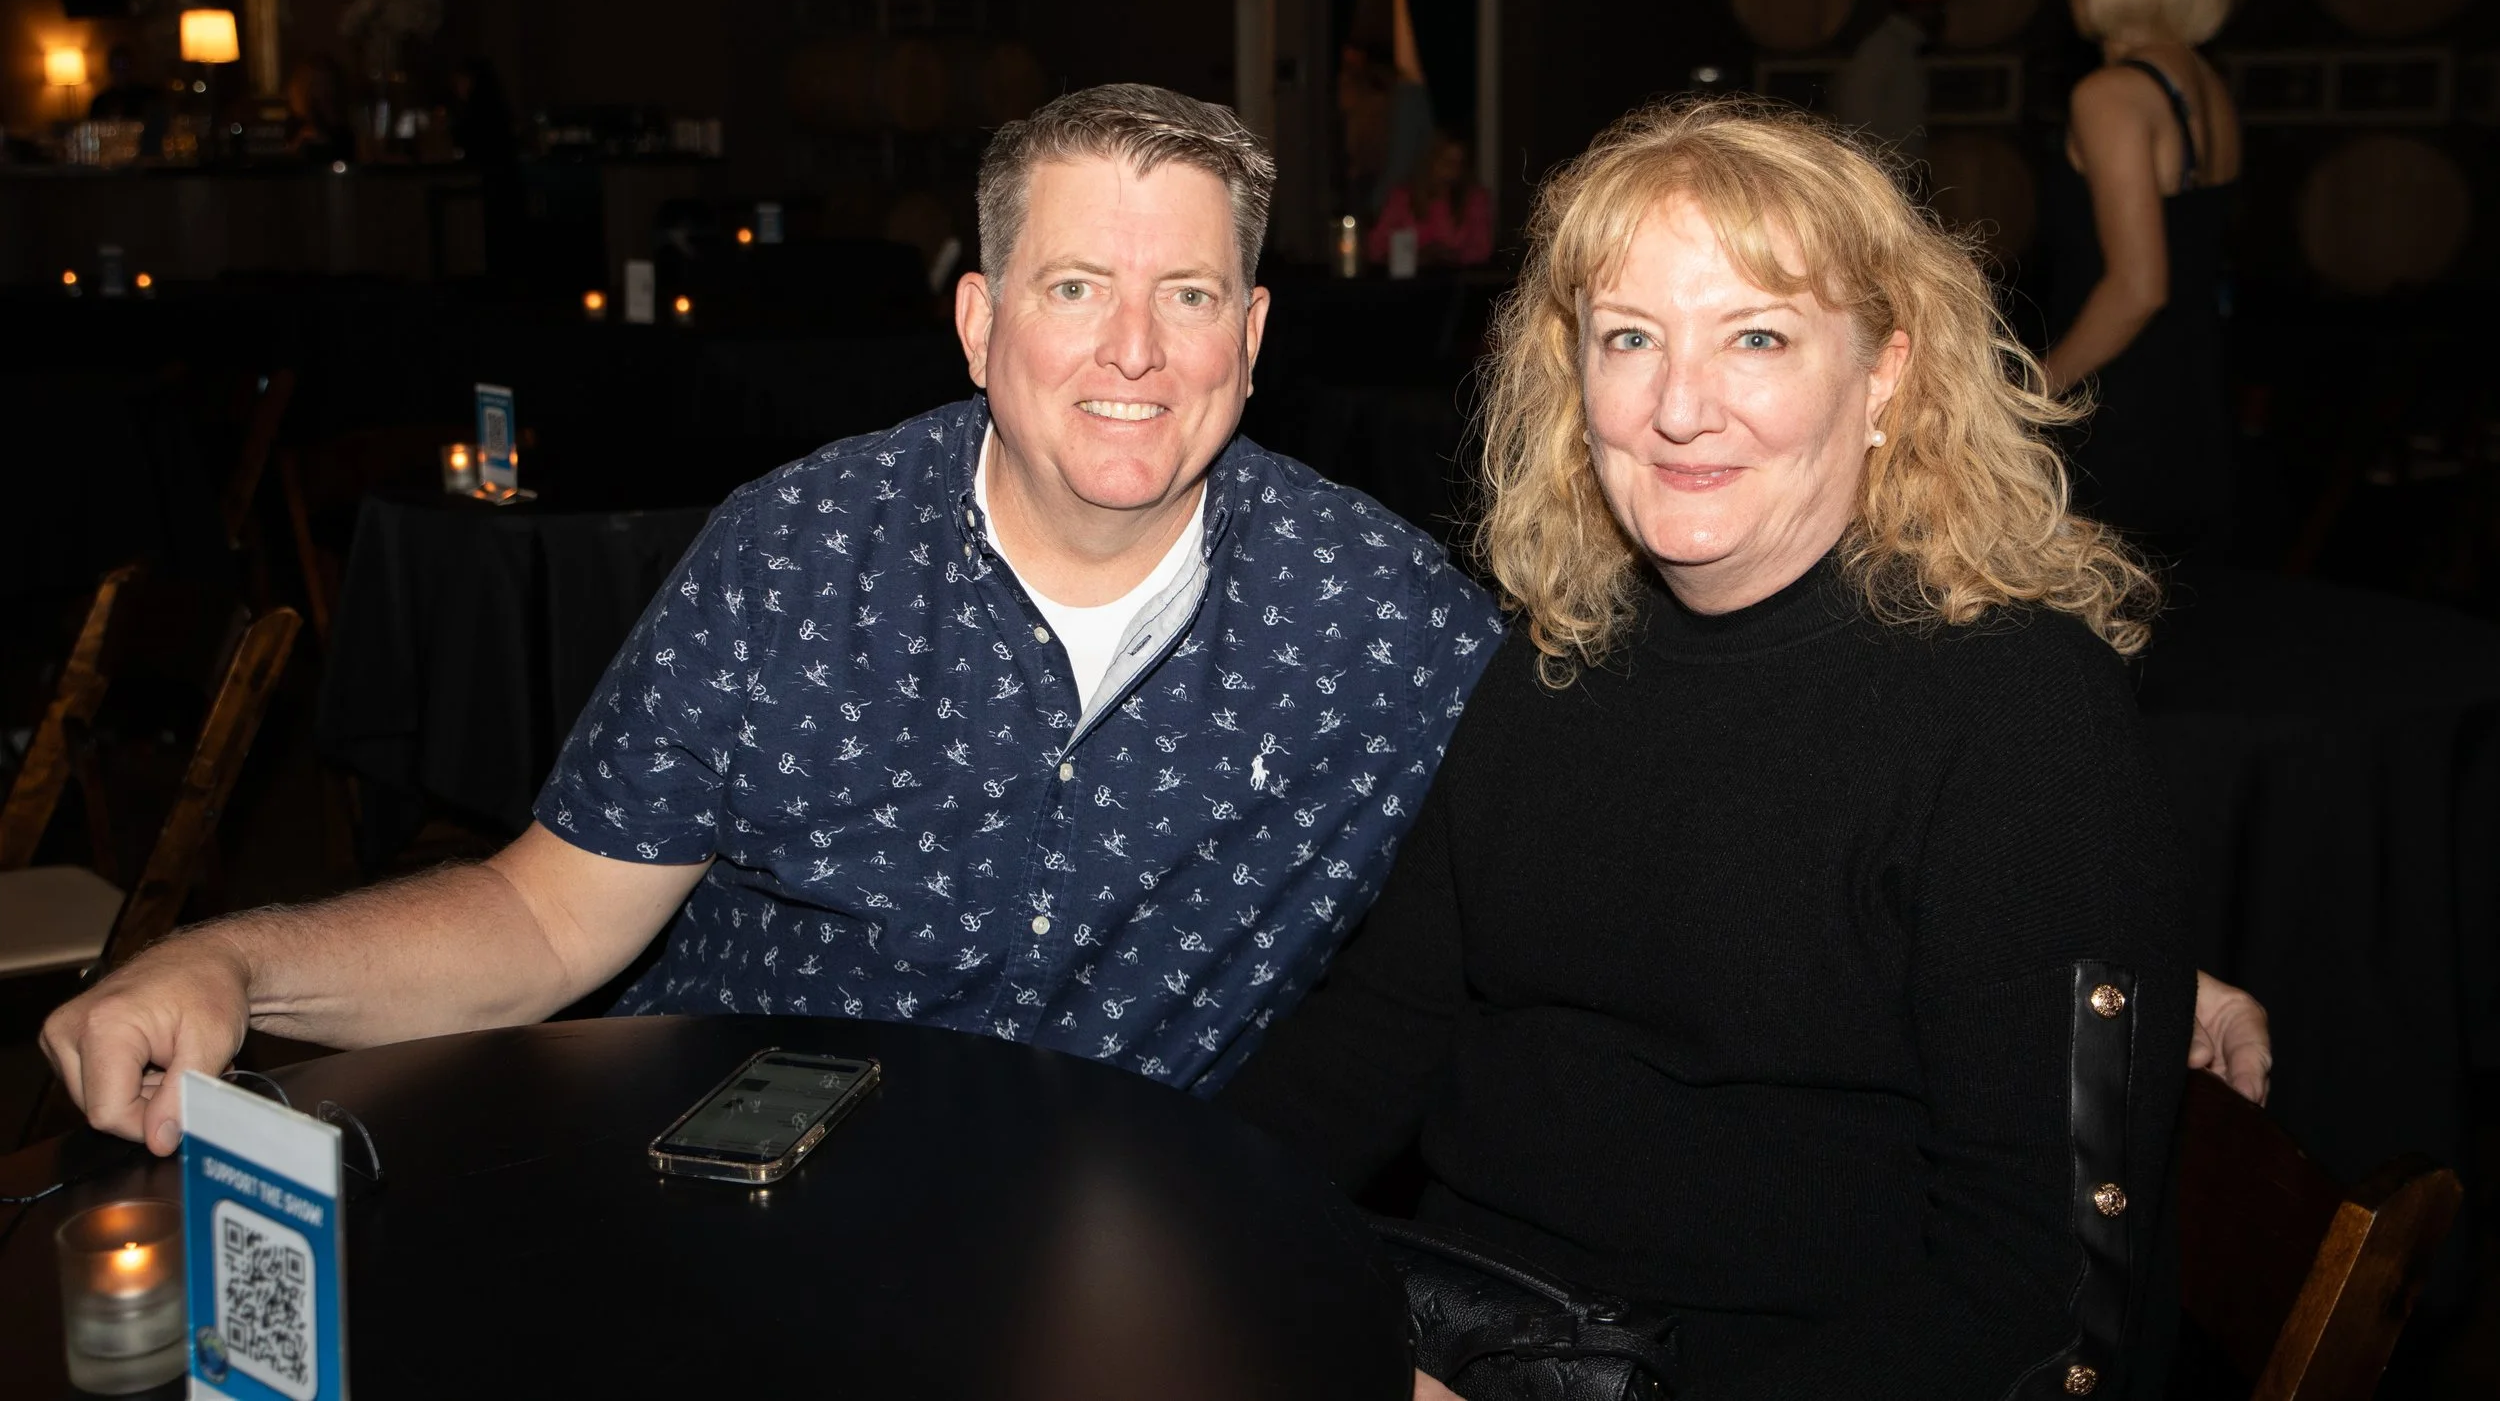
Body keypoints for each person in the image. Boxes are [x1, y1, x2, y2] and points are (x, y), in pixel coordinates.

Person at [41, 84, 1506, 1154]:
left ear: (1250, 339)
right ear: (982, 324)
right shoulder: (795, 553)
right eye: (1077, 286)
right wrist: (233, 961)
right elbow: (547, 916)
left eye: (1188, 294)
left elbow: (1584, 893)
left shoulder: (1376, 624)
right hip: (738, 1205)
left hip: (1120, 1260)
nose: (1135, 349)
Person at [1222, 97, 2199, 1398]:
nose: (1681, 406)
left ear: (1886, 373)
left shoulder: (2016, 712)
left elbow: (2035, 1285)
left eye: (1757, 335)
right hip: (1460, 1327)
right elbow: (1381, 1031)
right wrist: (1170, 1211)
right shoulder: (1558, 654)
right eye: (1631, 337)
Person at [2040, 0, 2241, 558]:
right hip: (2194, 393)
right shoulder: (2206, 83)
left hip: (2117, 411)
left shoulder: (2111, 95)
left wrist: (2034, 393)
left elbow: (2137, 285)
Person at [1830, 0, 1946, 157]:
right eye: (1937, 7)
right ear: (1920, 8)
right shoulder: (1884, 47)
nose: (1942, 15)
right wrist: (1875, 162)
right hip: (1883, 164)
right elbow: (1856, 110)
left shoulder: (1906, 45)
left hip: (1898, 163)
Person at [1368, 132, 1492, 269]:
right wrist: (1417, 255)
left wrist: (1450, 256)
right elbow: (1376, 248)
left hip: (1457, 282)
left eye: (1458, 163)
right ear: (1430, 161)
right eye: (1445, 162)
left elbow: (1482, 249)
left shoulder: (1474, 199)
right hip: (1409, 282)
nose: (1451, 170)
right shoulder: (1403, 197)